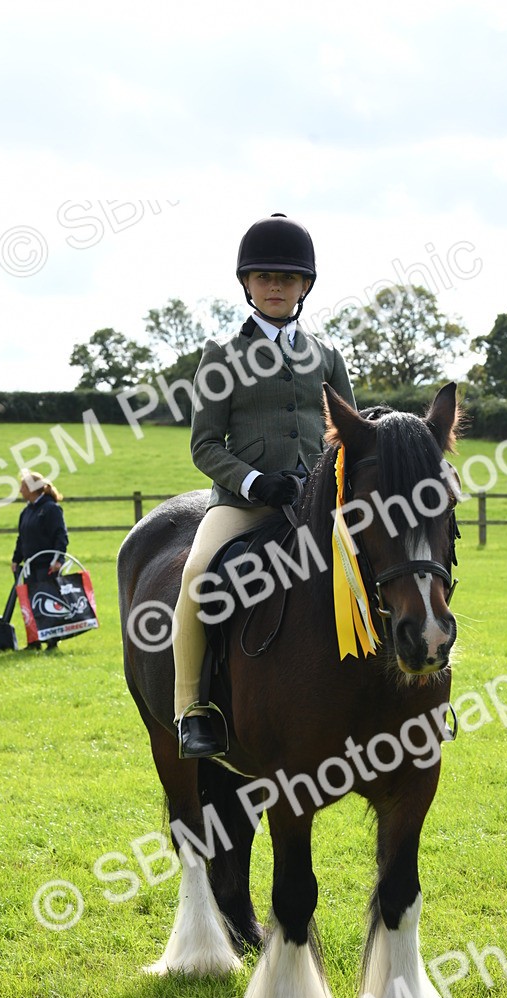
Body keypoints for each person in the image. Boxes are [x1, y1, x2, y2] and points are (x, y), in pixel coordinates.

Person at [173, 213, 356, 758]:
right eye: (263, 277)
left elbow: (348, 433)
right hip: (246, 504)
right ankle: (192, 709)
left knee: (388, 556)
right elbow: (204, 444)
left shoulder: (327, 356)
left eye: (287, 278)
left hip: (319, 500)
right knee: (196, 574)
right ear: (247, 284)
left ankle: (414, 688)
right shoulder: (221, 356)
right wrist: (255, 482)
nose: (275, 286)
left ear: (305, 286)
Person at [11, 471, 69, 650]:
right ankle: (34, 641)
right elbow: (22, 538)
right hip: (29, 566)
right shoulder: (27, 511)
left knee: (48, 603)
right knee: (29, 604)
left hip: (47, 566)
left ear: (32, 489)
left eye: (23, 487)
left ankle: (52, 641)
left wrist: (58, 559)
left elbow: (61, 536)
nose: (20, 491)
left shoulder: (51, 509)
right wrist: (16, 559)